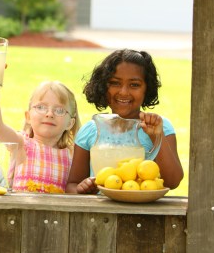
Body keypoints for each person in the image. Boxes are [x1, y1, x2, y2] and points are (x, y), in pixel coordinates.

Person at [66, 49, 184, 194]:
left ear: (147, 89)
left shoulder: (160, 126)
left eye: (134, 85)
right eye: (115, 83)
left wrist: (156, 136)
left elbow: (172, 181)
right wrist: (81, 189)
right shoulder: (91, 130)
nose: (123, 92)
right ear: (103, 86)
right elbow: (72, 184)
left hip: (144, 214)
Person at [0, 78, 80, 194]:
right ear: (28, 116)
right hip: (19, 211)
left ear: (70, 123)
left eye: (59, 110)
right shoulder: (21, 144)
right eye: (41, 107)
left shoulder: (72, 155)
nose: (49, 114)